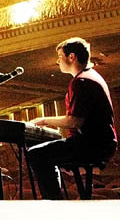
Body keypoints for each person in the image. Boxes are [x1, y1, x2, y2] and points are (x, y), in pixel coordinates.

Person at [27, 37, 117, 200]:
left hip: (92, 144)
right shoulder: (92, 76)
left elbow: (74, 121)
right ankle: (58, 199)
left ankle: (55, 204)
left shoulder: (81, 81)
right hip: (103, 143)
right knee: (47, 153)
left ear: (72, 57)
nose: (57, 61)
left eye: (60, 57)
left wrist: (43, 120)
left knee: (36, 154)